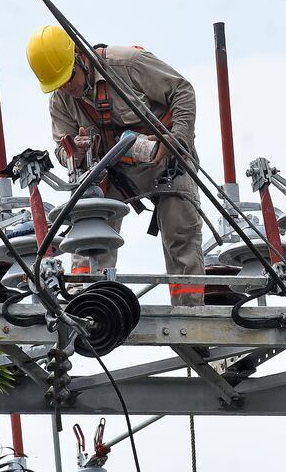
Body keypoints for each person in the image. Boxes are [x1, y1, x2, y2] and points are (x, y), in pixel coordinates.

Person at [26, 25, 204, 306]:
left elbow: (182, 91)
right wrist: (77, 152)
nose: (67, 88)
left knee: (180, 234)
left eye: (68, 78)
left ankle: (192, 314)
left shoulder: (127, 65)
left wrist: (176, 139)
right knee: (90, 230)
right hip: (114, 172)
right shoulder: (61, 99)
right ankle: (86, 302)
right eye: (58, 84)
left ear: (80, 57)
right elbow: (62, 150)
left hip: (165, 163)